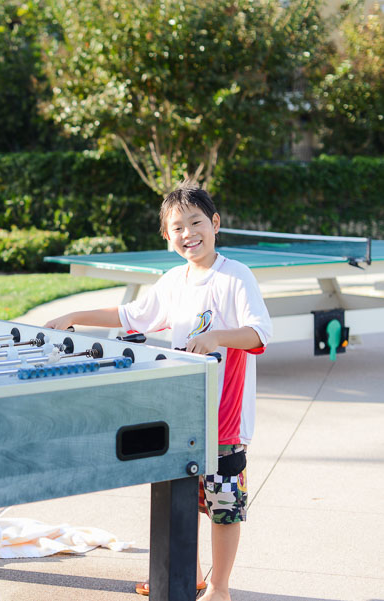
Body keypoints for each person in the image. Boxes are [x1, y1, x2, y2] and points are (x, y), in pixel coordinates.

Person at [45, 186, 272, 601]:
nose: (189, 234)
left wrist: (217, 336)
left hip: (225, 419)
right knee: (180, 500)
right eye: (178, 227)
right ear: (166, 237)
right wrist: (75, 314)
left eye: (196, 223)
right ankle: (184, 575)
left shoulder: (235, 275)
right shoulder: (172, 282)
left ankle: (220, 587)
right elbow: (131, 315)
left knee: (223, 506)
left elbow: (259, 333)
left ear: (215, 223)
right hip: (181, 412)